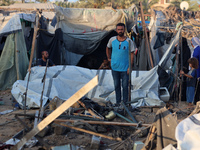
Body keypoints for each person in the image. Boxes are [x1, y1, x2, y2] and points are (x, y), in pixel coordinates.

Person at [106, 23, 135, 106]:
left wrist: (130, 66)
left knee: (125, 86)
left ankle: (125, 103)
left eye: (121, 29)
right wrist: (109, 58)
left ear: (124, 30)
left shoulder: (129, 41)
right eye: (118, 29)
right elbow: (108, 48)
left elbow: (132, 54)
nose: (120, 31)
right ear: (116, 30)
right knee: (116, 86)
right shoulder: (112, 40)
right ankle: (118, 102)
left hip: (125, 68)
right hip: (115, 68)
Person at [191, 37, 200, 104]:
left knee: (197, 86)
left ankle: (196, 101)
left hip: (198, 70)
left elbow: (195, 61)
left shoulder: (197, 50)